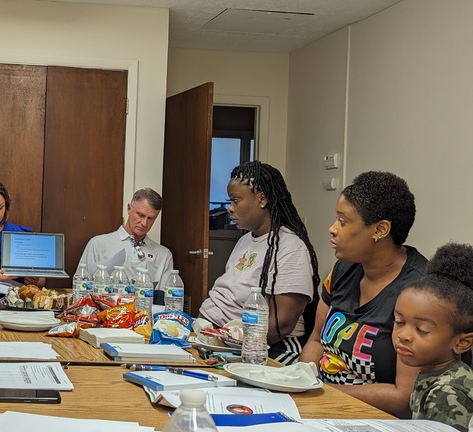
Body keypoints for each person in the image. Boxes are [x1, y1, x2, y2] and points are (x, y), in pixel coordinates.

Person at [300, 171, 428, 418]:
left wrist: (323, 391)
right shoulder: (343, 268)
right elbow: (315, 340)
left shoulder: (420, 292)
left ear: (380, 229)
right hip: (323, 407)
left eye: (343, 221)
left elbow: (403, 398)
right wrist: (300, 381)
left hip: (377, 421)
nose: (332, 229)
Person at [193, 162, 319, 364]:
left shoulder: (290, 247)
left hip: (263, 349)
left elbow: (282, 325)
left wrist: (230, 351)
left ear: (262, 199)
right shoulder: (245, 240)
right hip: (215, 338)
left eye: (235, 201)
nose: (230, 209)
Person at [393, 243, 473, 432]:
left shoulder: (448, 392)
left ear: (462, 343)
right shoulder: (431, 372)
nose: (403, 335)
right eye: (399, 321)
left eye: (421, 330)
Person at [77, 188, 175, 288]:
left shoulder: (164, 255)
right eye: (140, 215)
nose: (144, 223)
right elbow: (81, 287)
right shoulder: (98, 244)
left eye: (150, 218)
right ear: (129, 208)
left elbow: (167, 299)